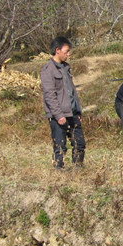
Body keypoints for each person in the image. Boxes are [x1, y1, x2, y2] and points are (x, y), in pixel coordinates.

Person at [40, 36, 85, 169]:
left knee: (79, 143)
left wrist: (78, 110)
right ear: (57, 50)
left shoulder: (66, 68)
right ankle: (59, 170)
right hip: (59, 115)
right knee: (60, 145)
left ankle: (78, 169)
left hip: (73, 113)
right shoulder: (48, 70)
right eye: (66, 51)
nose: (68, 54)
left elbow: (72, 92)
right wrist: (59, 115)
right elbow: (50, 95)